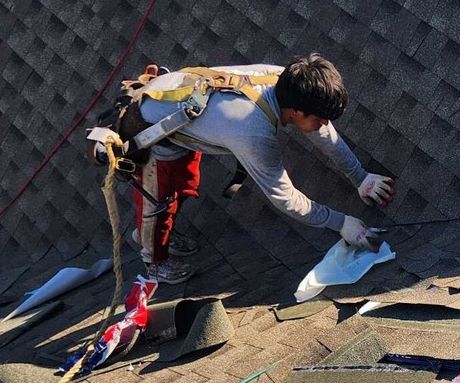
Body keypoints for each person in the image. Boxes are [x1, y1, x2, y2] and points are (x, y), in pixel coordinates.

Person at [130, 53, 395, 283]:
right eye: (320, 118)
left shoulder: (288, 81)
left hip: (180, 109)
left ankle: (163, 235)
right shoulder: (252, 132)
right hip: (152, 130)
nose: (325, 124)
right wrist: (340, 223)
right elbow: (286, 199)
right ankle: (154, 261)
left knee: (185, 185)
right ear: (297, 112)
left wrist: (360, 177)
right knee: (161, 201)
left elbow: (323, 133)